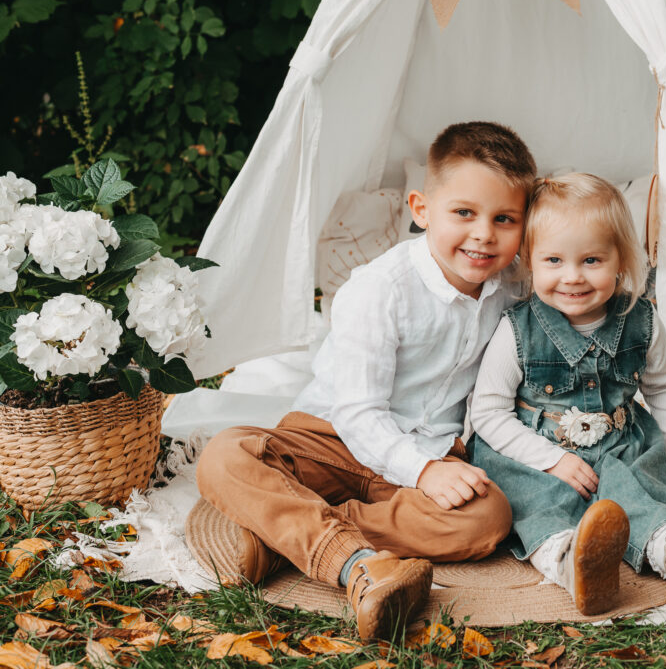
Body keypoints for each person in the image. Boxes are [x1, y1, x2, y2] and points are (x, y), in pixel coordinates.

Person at [195, 121, 536, 639]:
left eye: (504, 219)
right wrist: (423, 472)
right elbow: (358, 412)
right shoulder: (381, 288)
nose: (484, 234)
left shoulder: (514, 288)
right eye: (464, 213)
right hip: (330, 437)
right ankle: (355, 563)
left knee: (488, 517)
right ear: (421, 209)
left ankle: (286, 533)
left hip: (430, 448)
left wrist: (429, 468)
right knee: (225, 454)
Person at [469, 173, 666, 616]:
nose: (572, 277)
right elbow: (489, 413)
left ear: (620, 260)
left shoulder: (641, 320)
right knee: (537, 504)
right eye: (554, 260)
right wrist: (550, 459)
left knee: (636, 490)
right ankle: (575, 562)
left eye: (591, 260)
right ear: (530, 261)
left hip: (618, 444)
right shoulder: (517, 330)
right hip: (534, 454)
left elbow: (665, 386)